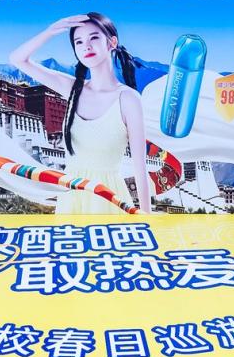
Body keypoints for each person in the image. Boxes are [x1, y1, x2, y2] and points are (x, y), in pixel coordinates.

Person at [9, 12, 151, 214]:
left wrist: (147, 218)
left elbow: (140, 168)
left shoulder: (128, 99)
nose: (86, 46)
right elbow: (17, 59)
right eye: (79, 42)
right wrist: (51, 31)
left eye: (94, 38)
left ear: (112, 42)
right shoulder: (73, 89)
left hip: (108, 199)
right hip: (71, 196)